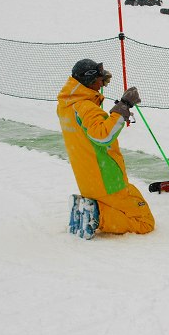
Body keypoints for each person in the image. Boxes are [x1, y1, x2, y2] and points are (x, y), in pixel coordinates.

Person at [57, 59, 155, 239]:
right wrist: (123, 106)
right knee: (144, 221)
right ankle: (97, 216)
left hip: (88, 179)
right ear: (89, 80)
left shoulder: (67, 105)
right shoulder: (85, 107)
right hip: (106, 179)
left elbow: (89, 128)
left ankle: (86, 209)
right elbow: (103, 136)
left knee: (128, 198)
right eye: (100, 79)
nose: (102, 84)